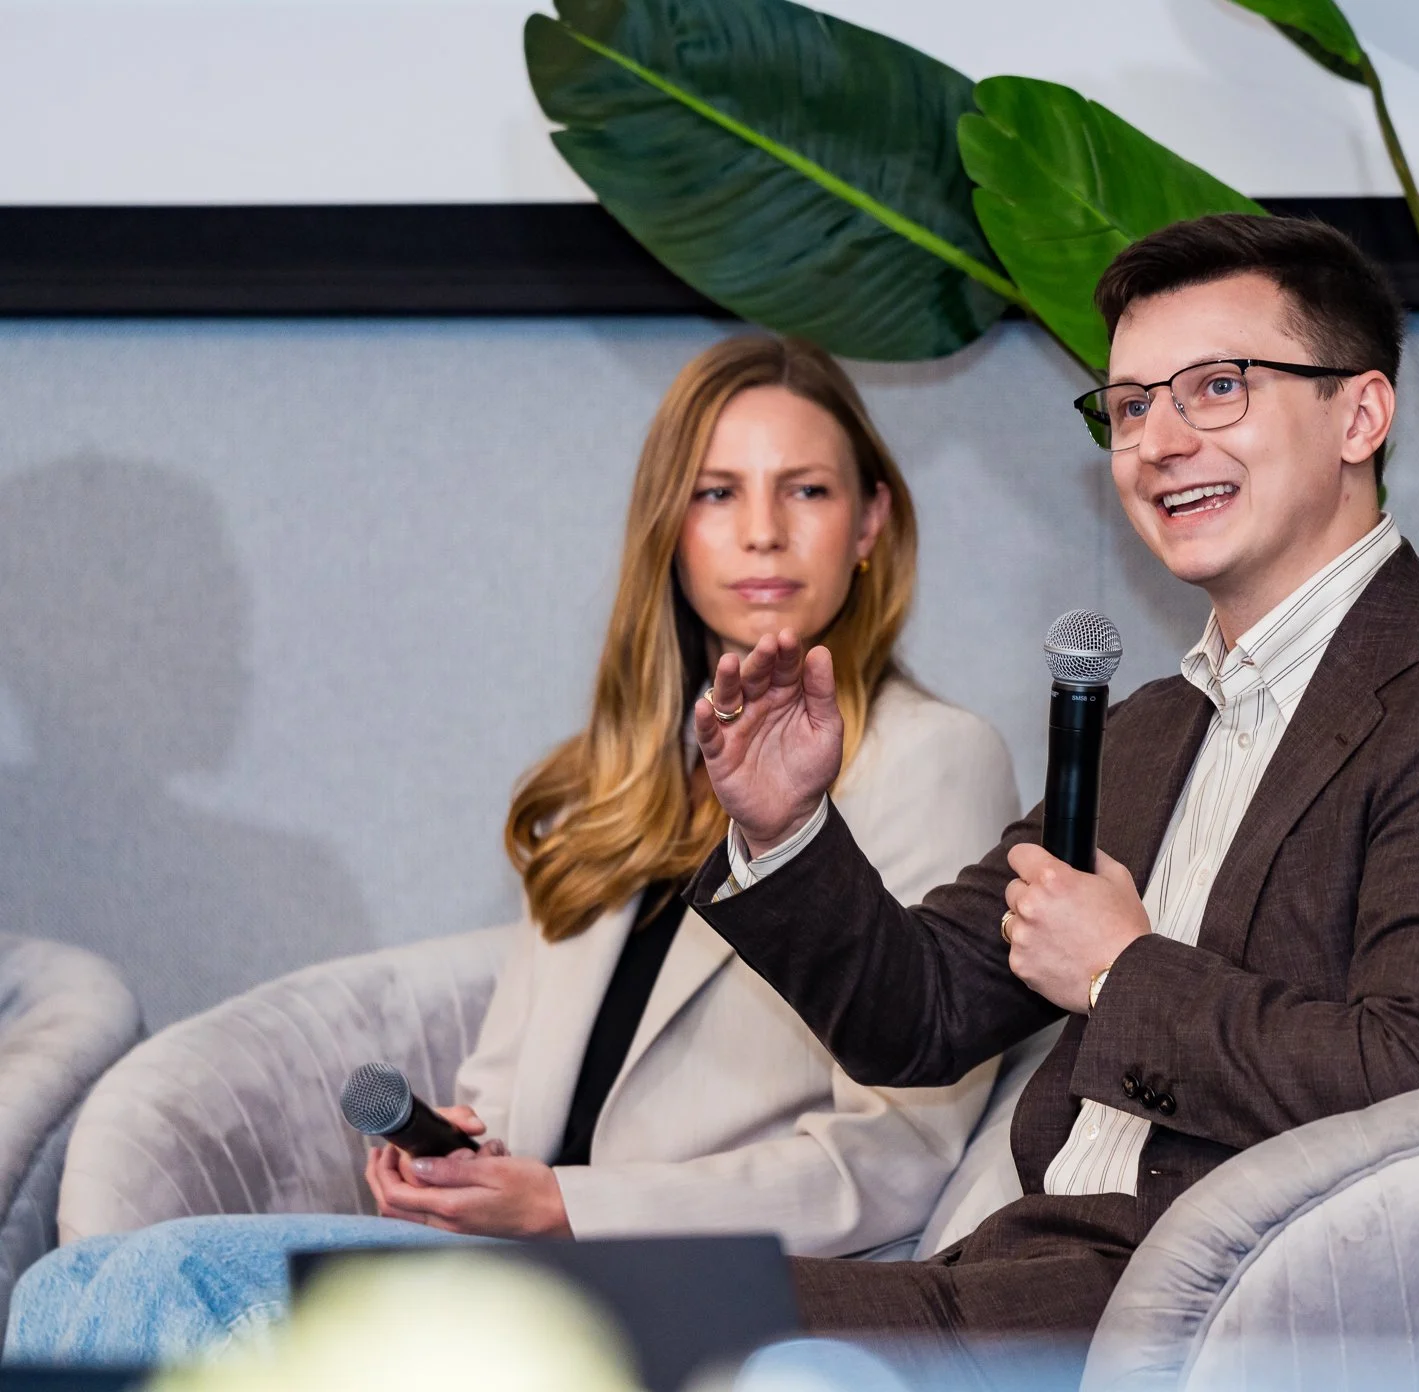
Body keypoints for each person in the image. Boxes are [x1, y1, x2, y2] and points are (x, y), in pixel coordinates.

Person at [681, 215, 1419, 1362]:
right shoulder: (1149, 731)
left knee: (636, 1327)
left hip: (1221, 1320)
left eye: (1217, 388)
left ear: (1360, 416)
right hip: (1025, 1282)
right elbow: (920, 1016)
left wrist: (1119, 972)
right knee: (569, 1310)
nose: (1157, 442)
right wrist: (786, 827)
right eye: (1127, 407)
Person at [6, 335, 1021, 1364]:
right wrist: (457, 1159)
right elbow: (502, 1094)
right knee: (63, 1283)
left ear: (870, 522)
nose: (763, 531)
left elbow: (897, 1159)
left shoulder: (933, 758)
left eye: (806, 490)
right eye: (717, 493)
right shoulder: (607, 785)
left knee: (164, 1281)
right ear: (668, 528)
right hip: (525, 1266)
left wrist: (566, 1206)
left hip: (723, 1293)